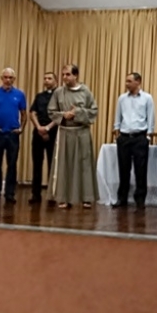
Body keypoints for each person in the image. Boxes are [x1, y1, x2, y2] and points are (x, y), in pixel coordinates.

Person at [47, 64, 99, 209]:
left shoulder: (86, 91)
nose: (64, 77)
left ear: (76, 75)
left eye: (68, 74)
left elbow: (93, 111)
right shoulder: (58, 92)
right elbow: (51, 112)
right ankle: (63, 197)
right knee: (64, 164)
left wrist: (78, 113)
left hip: (81, 132)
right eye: (63, 75)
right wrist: (64, 115)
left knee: (84, 165)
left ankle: (86, 198)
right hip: (65, 131)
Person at [0, 67, 28, 205]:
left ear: (14, 79)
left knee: (12, 165)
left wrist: (21, 128)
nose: (8, 80)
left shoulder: (20, 94)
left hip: (13, 134)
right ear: (1, 78)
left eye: (10, 78)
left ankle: (10, 194)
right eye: (5, 77)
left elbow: (24, 114)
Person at [112, 72, 155, 210]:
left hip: (140, 137)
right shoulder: (122, 98)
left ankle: (140, 199)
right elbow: (118, 116)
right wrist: (117, 130)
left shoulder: (147, 98)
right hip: (124, 137)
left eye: (129, 81)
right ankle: (122, 198)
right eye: (126, 81)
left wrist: (148, 136)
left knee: (140, 170)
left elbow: (151, 117)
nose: (127, 84)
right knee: (123, 169)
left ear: (138, 82)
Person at [29, 72, 59, 205]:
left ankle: (51, 195)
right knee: (37, 164)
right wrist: (39, 128)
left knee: (52, 165)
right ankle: (36, 195)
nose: (46, 80)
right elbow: (32, 113)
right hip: (38, 132)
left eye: (49, 78)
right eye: (45, 78)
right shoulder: (39, 96)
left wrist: (47, 128)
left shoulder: (59, 96)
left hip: (53, 133)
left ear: (56, 81)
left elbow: (60, 115)